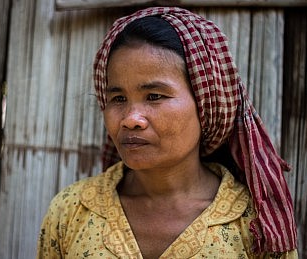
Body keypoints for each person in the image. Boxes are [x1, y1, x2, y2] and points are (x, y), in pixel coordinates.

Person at [37, 7, 298, 258]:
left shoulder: (256, 224)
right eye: (118, 98)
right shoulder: (72, 209)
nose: (131, 119)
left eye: (154, 96)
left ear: (206, 103)